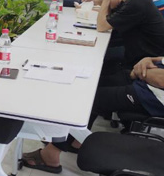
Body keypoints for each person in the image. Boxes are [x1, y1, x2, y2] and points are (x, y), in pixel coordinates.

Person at [23, 55, 164, 174]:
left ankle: (50, 156)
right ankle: (76, 141)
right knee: (92, 84)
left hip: (150, 97)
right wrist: (149, 59)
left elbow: (160, 80)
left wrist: (143, 71)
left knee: (86, 100)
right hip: (145, 84)